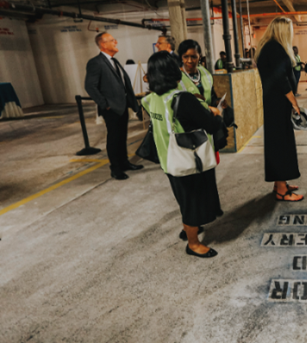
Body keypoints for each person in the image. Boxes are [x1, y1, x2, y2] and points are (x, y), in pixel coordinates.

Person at [142, 51, 223, 258]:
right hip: (187, 159)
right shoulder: (183, 99)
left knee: (184, 198)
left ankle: (189, 228)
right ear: (173, 72)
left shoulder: (152, 98)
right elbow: (210, 125)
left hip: (168, 159)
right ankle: (193, 243)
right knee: (193, 201)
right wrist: (217, 114)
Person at [255, 17, 303, 202]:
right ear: (282, 31)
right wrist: (293, 101)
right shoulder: (274, 47)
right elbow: (281, 78)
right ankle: (282, 190)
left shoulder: (269, 46)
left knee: (278, 142)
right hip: (278, 102)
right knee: (281, 144)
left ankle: (279, 183)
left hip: (274, 102)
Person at [85, 32, 143, 180]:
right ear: (103, 44)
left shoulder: (114, 61)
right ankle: (115, 168)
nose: (116, 42)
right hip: (111, 108)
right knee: (114, 138)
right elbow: (90, 86)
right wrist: (105, 105)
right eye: (112, 40)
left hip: (121, 106)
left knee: (122, 137)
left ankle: (124, 163)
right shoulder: (96, 62)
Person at [177, 39, 220, 108]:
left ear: (199, 56)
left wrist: (217, 102)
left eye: (194, 57)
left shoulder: (205, 73)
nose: (190, 61)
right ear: (181, 57)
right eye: (186, 57)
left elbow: (212, 96)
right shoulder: (176, 76)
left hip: (207, 115)